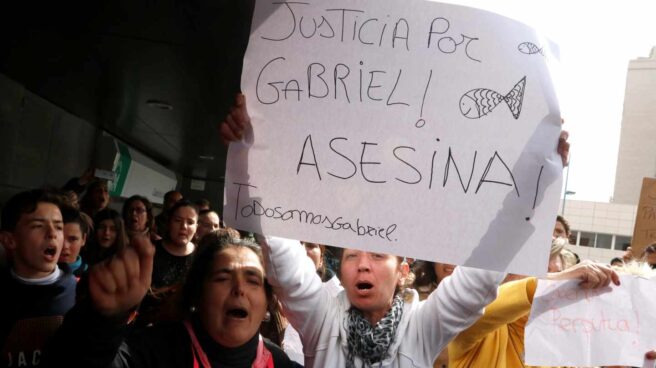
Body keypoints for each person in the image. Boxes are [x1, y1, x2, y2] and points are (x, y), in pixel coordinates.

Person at [447, 238, 620, 368]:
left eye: (559, 273)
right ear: (508, 273)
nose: (559, 285)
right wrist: (548, 284)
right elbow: (478, 310)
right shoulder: (476, 326)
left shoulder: (559, 344)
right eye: (543, 272)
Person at [0, 189, 76, 368]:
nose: (52, 233)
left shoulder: (83, 295)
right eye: (38, 225)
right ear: (9, 240)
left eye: (58, 226)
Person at [137, 200, 198, 326]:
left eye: (190, 222)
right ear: (169, 222)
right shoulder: (150, 251)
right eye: (178, 220)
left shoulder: (200, 257)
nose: (184, 226)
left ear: (197, 227)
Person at [59, 206, 91, 278]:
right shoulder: (37, 272)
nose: (65, 246)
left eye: (72, 239)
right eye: (60, 238)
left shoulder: (93, 276)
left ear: (83, 239)